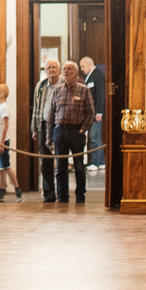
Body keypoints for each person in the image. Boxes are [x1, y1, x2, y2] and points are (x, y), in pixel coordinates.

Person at [49, 60, 96, 203]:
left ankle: (80, 196)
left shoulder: (84, 89)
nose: (66, 71)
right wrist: (49, 136)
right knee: (60, 168)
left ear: (76, 73)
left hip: (76, 132)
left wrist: (82, 130)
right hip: (60, 131)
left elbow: (91, 113)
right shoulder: (57, 90)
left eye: (69, 69)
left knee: (79, 167)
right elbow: (51, 115)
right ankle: (62, 197)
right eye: (64, 69)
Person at [29, 58, 61, 200]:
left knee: (61, 160)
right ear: (45, 70)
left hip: (60, 125)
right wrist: (34, 128)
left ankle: (62, 193)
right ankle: (48, 194)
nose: (51, 70)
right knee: (46, 161)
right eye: (48, 67)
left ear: (59, 70)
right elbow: (36, 108)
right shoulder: (40, 86)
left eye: (54, 67)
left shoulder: (64, 85)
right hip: (43, 125)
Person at [0, 83, 22, 201]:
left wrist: (1, 143)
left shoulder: (4, 107)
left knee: (6, 166)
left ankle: (18, 190)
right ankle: (0, 190)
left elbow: (5, 126)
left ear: (2, 94)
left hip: (1, 142)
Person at [80, 56, 106, 169]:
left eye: (82, 66)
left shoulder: (97, 75)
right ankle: (100, 162)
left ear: (88, 64)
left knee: (95, 137)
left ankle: (96, 162)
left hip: (96, 113)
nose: (81, 69)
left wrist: (99, 112)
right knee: (95, 137)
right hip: (90, 113)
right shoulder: (88, 77)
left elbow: (101, 95)